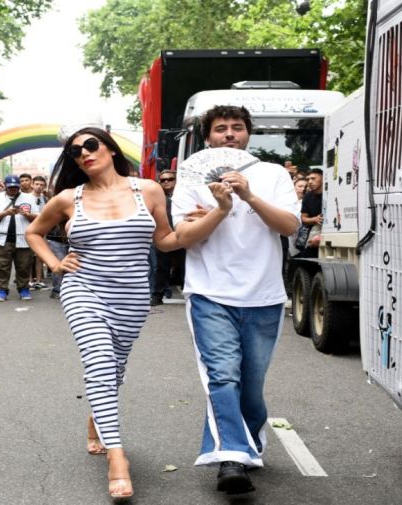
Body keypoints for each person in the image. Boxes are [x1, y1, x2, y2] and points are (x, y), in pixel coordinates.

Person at [26, 127, 179, 501]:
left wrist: (212, 220)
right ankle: (117, 457)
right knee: (98, 363)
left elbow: (165, 239)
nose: (84, 154)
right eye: (76, 152)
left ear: (109, 148)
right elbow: (34, 232)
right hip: (83, 291)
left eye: (90, 145)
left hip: (132, 298)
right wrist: (56, 263)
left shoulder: (149, 190)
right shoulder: (67, 198)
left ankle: (97, 420)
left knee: (115, 369)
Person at [172, 105, 300, 495]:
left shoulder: (272, 174)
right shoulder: (192, 176)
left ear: (247, 135)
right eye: (221, 129)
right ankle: (230, 457)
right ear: (208, 138)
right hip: (210, 293)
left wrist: (248, 196)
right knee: (223, 375)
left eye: (237, 128)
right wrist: (221, 210)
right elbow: (184, 237)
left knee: (251, 385)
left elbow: (289, 225)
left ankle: (247, 440)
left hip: (263, 295)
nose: (229, 135)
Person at [0, 175, 38, 302]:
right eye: (10, 187)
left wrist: (27, 214)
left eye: (16, 187)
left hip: (23, 238)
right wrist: (6, 213)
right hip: (2, 238)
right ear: (5, 185)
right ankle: (1, 290)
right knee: (1, 266)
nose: (13, 189)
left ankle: (24, 289)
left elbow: (38, 217)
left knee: (24, 265)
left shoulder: (29, 198)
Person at [150, 169, 186, 306]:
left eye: (170, 179)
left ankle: (189, 294)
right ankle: (157, 295)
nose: (166, 182)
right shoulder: (156, 198)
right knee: (160, 268)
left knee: (186, 266)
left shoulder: (184, 196)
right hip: (162, 237)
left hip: (182, 236)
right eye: (163, 180)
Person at [297, 168, 324, 258]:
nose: (310, 182)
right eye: (308, 179)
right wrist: (314, 219)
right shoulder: (307, 196)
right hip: (312, 237)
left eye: (313, 178)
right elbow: (303, 218)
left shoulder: (330, 193)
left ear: (323, 178)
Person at [29, 175, 48, 290]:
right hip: (29, 230)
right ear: (32, 184)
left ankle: (39, 280)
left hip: (42, 230)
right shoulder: (26, 197)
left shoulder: (45, 198)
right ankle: (30, 280)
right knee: (28, 256)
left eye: (41, 185)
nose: (39, 187)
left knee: (40, 256)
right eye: (37, 184)